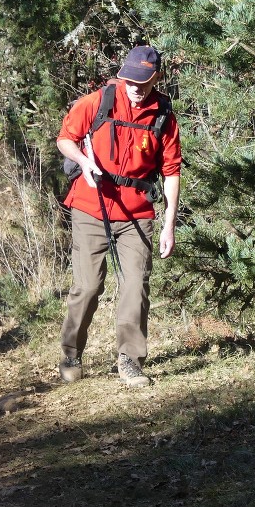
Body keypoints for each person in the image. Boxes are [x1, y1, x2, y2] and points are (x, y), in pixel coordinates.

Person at [56, 45, 181, 387]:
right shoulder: (98, 102)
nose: (135, 88)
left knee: (135, 284)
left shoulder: (163, 116)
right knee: (88, 286)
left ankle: (129, 360)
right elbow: (66, 139)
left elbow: (171, 172)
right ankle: (70, 353)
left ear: (157, 78)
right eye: (130, 80)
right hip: (90, 205)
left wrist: (169, 224)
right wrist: (84, 163)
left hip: (137, 211)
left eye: (143, 81)